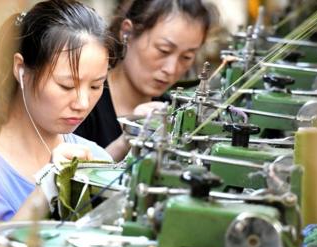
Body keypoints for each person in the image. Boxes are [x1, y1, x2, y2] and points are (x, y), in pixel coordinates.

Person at [0, 0, 114, 237]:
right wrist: (49, 185)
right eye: (66, 85)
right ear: (21, 68)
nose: (82, 103)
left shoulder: (95, 157)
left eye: (96, 86)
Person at [75, 0, 216, 161]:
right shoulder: (82, 105)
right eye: (163, 50)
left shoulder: (172, 111)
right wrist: (126, 141)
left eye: (187, 57)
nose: (171, 69)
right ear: (127, 32)